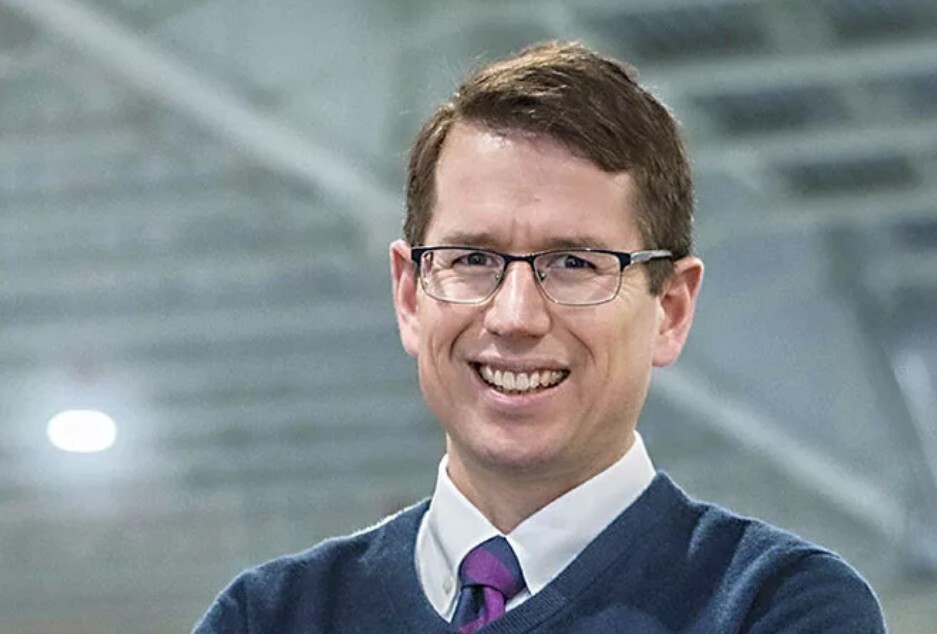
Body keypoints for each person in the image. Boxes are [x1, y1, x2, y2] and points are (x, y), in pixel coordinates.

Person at [193, 41, 886, 633]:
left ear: (670, 310)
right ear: (409, 295)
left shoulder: (775, 607)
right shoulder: (271, 616)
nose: (514, 315)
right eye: (472, 259)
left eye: (575, 264)